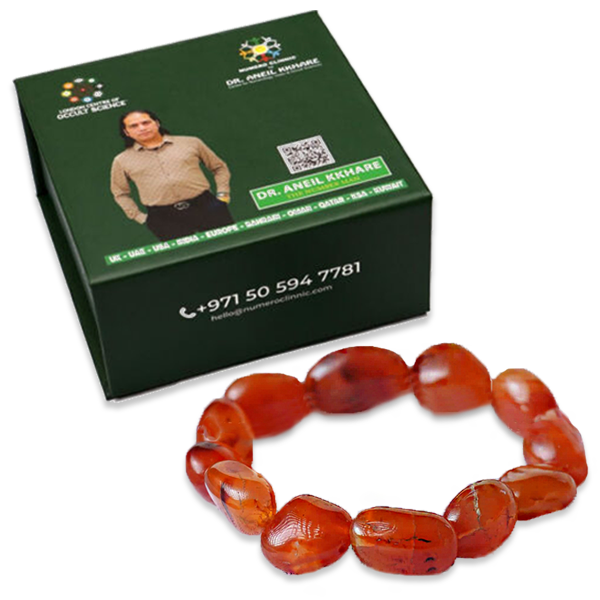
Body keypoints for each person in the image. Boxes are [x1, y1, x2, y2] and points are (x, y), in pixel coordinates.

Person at [110, 110, 234, 241]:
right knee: (186, 253)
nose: (142, 128)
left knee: (230, 243)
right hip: (163, 218)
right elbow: (120, 193)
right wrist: (140, 217)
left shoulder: (191, 142)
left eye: (146, 122)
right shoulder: (122, 160)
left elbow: (219, 168)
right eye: (133, 126)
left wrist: (223, 195)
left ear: (157, 123)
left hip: (207, 206)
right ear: (126, 132)